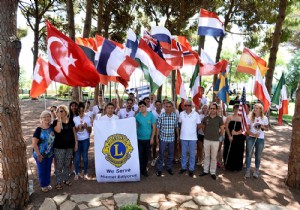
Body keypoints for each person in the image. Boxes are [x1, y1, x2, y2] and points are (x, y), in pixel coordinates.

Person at [53, 105, 77, 190]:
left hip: (69, 147)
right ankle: (58, 182)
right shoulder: (55, 122)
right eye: (58, 111)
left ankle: (66, 179)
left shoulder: (70, 121)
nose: (60, 112)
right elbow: (58, 130)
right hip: (59, 147)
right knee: (59, 165)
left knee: (67, 164)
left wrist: (76, 143)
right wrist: (59, 120)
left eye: (62, 111)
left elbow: (74, 133)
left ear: (66, 112)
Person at [200, 103, 224, 180]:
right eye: (211, 108)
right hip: (206, 139)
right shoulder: (205, 118)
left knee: (213, 157)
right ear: (209, 109)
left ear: (216, 110)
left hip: (215, 141)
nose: (212, 110)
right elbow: (203, 128)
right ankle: (205, 171)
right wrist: (206, 134)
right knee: (206, 156)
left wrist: (218, 136)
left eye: (214, 108)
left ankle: (213, 172)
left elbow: (222, 130)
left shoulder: (219, 119)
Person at [32, 111, 55, 192]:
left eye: (48, 116)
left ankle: (48, 183)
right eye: (44, 117)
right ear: (41, 118)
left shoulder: (52, 127)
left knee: (48, 169)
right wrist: (38, 155)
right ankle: (43, 185)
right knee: (42, 169)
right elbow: (34, 144)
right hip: (40, 154)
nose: (46, 118)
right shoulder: (38, 129)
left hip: (50, 154)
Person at [245, 103, 269, 178]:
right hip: (251, 138)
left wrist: (263, 127)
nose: (255, 109)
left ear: (260, 110)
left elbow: (267, 129)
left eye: (257, 108)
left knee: (258, 156)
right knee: (249, 154)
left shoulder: (264, 118)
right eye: (254, 108)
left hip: (260, 139)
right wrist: (253, 134)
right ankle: (248, 171)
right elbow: (247, 130)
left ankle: (256, 171)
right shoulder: (250, 117)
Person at [156, 101, 179, 176]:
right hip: (163, 138)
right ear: (164, 107)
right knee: (161, 154)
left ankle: (168, 168)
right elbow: (158, 128)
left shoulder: (174, 116)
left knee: (171, 154)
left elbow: (176, 127)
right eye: (167, 106)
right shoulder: (161, 116)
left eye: (170, 107)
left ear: (172, 108)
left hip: (172, 139)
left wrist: (178, 136)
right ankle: (159, 169)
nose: (168, 108)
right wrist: (157, 137)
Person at [178, 100, 201, 177]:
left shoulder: (196, 114)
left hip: (193, 138)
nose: (187, 107)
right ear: (184, 106)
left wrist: (193, 131)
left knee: (192, 154)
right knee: (183, 154)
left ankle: (191, 169)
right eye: (186, 105)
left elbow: (199, 125)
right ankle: (183, 167)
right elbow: (180, 124)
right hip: (183, 137)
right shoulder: (181, 114)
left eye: (189, 105)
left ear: (192, 106)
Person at [135, 101, 156, 177]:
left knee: (146, 156)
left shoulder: (151, 115)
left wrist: (152, 138)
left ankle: (144, 170)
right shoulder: (137, 116)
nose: (141, 108)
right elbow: (134, 126)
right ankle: (139, 170)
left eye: (143, 106)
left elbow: (154, 127)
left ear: (146, 106)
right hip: (139, 139)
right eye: (140, 107)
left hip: (148, 139)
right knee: (140, 155)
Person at [223, 104, 245, 171]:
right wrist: (229, 136)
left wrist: (236, 133)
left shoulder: (243, 118)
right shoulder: (229, 117)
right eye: (235, 109)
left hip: (239, 138)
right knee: (228, 150)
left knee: (238, 151)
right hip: (229, 136)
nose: (236, 110)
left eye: (238, 109)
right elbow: (226, 127)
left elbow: (244, 129)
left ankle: (237, 166)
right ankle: (228, 165)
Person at [73, 102, 92, 180]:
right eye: (79, 111)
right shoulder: (75, 119)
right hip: (77, 140)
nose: (81, 112)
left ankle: (85, 173)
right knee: (77, 157)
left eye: (82, 111)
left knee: (85, 157)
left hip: (85, 139)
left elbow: (90, 131)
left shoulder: (87, 118)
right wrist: (78, 128)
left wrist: (86, 127)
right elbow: (74, 131)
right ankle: (76, 173)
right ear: (77, 111)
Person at [151, 100, 163, 166]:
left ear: (161, 106)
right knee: (154, 146)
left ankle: (161, 159)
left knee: (162, 146)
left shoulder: (164, 112)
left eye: (159, 105)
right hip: (155, 132)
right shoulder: (152, 113)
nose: (158, 106)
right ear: (155, 106)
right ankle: (154, 159)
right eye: (157, 105)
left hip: (163, 132)